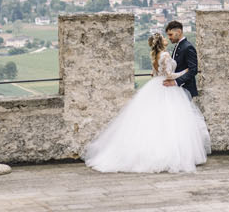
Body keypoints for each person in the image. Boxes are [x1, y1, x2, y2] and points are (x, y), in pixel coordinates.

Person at [82, 32, 210, 174]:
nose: (166, 38)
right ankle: (170, 155)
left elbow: (153, 74)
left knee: (153, 121)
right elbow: (168, 75)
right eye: (164, 37)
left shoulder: (155, 56)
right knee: (170, 122)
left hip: (155, 86)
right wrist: (183, 72)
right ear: (161, 41)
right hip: (167, 88)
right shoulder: (165, 55)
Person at [165, 19, 198, 99]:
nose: (169, 37)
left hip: (185, 89)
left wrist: (176, 82)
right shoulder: (179, 45)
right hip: (177, 89)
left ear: (179, 32)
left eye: (170, 34)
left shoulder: (188, 47)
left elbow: (193, 70)